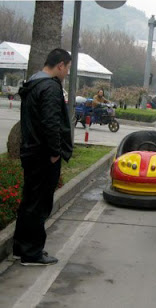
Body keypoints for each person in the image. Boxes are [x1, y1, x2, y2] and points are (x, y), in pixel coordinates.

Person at [14, 48, 73, 266]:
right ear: (60, 65)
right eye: (67, 67)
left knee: (29, 201)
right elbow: (51, 123)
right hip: (43, 156)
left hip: (31, 151)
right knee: (39, 205)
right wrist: (55, 153)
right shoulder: (49, 87)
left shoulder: (33, 83)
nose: (67, 72)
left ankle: (21, 248)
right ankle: (32, 254)